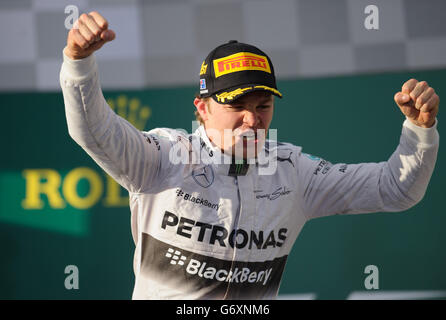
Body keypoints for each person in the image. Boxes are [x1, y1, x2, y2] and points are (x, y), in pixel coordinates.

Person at [60, 12, 440, 300]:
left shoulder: (293, 173)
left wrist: (420, 131)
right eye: (237, 104)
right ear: (202, 108)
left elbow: (396, 190)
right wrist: (78, 62)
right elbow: (94, 131)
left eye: (262, 105)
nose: (252, 118)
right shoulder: (164, 156)